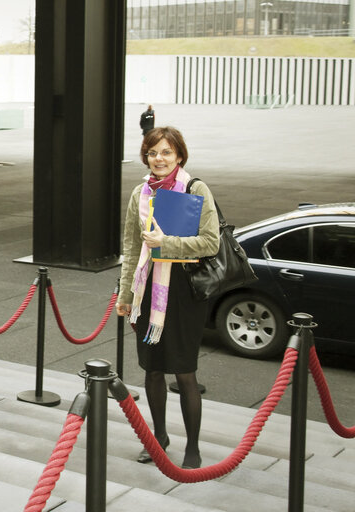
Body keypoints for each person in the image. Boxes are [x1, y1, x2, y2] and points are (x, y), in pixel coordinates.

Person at [115, 126, 219, 469]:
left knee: (185, 372)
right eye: (152, 152)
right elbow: (131, 248)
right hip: (147, 291)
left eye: (166, 152)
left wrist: (167, 243)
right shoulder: (139, 193)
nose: (159, 159)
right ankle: (158, 438)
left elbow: (210, 242)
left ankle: (193, 447)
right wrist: (126, 292)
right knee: (153, 369)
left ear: (179, 156)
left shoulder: (194, 188)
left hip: (183, 293)